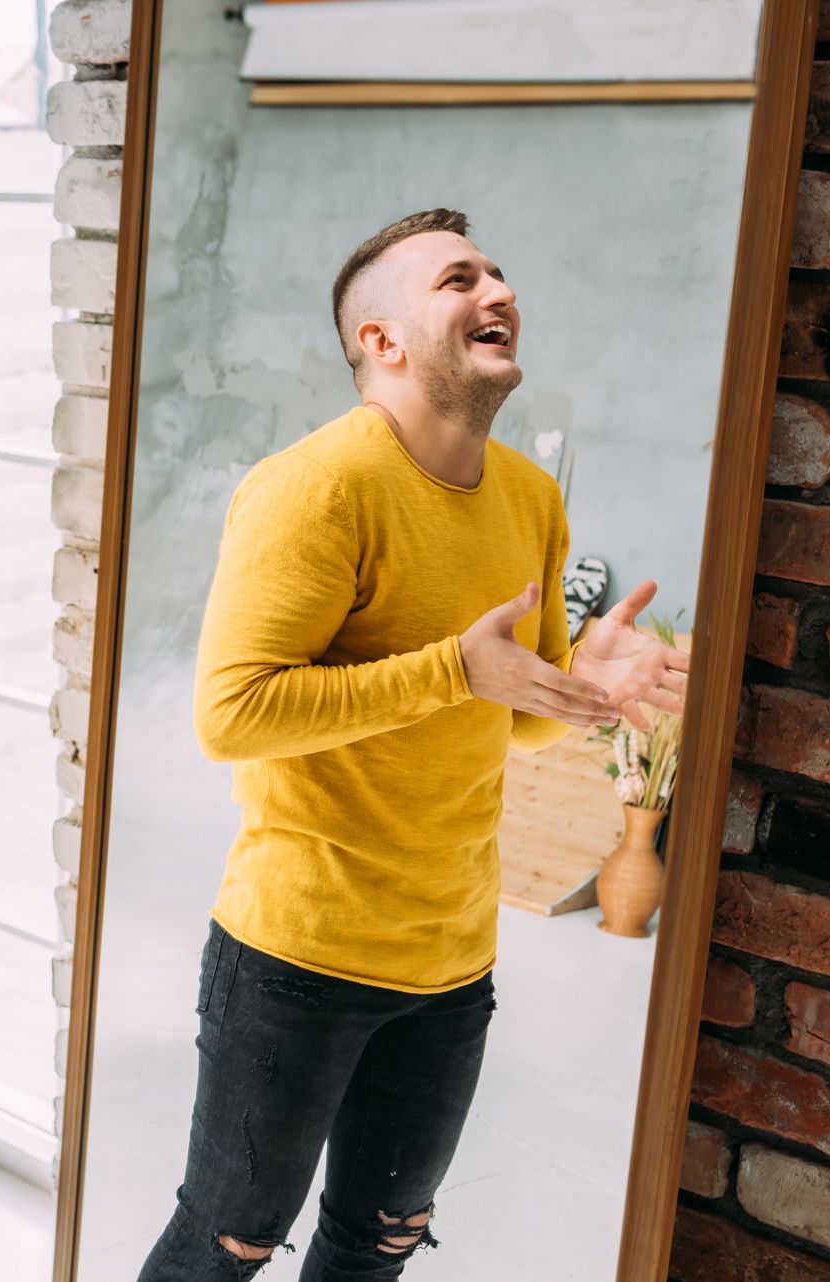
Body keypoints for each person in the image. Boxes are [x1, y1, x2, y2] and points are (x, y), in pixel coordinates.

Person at [138, 209, 687, 1279]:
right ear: (383, 341)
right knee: (224, 1246)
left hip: (451, 965)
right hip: (296, 959)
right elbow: (232, 710)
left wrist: (584, 686)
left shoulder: (529, 496)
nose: (499, 290)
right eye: (459, 278)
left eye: (499, 272)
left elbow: (514, 714)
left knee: (374, 1247)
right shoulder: (317, 486)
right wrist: (451, 667)